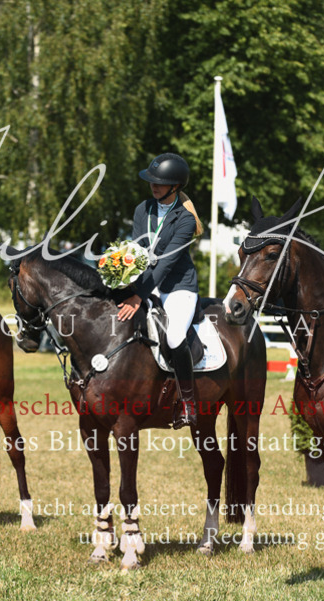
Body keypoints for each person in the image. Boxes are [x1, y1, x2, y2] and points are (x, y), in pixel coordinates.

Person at [116, 152, 203, 429]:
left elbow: (165, 264)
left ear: (175, 186)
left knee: (176, 338)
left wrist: (138, 295)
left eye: (160, 182)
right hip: (146, 284)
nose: (154, 186)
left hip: (177, 287)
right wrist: (120, 272)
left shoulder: (185, 220)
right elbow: (138, 248)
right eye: (151, 180)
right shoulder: (143, 209)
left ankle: (189, 404)